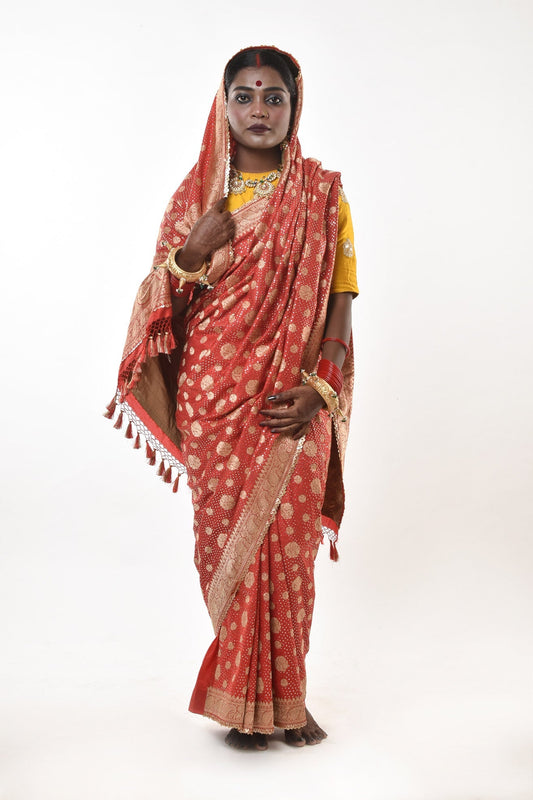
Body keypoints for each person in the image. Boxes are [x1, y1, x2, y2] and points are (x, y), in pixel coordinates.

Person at [106, 45, 358, 751]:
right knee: (227, 547)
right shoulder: (194, 200)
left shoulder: (324, 197)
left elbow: (341, 302)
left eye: (272, 97)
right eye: (243, 96)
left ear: (293, 106)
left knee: (289, 548)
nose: (257, 110)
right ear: (223, 106)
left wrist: (319, 389)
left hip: (293, 398)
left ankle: (289, 701)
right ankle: (240, 706)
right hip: (214, 396)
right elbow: (160, 303)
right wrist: (193, 249)